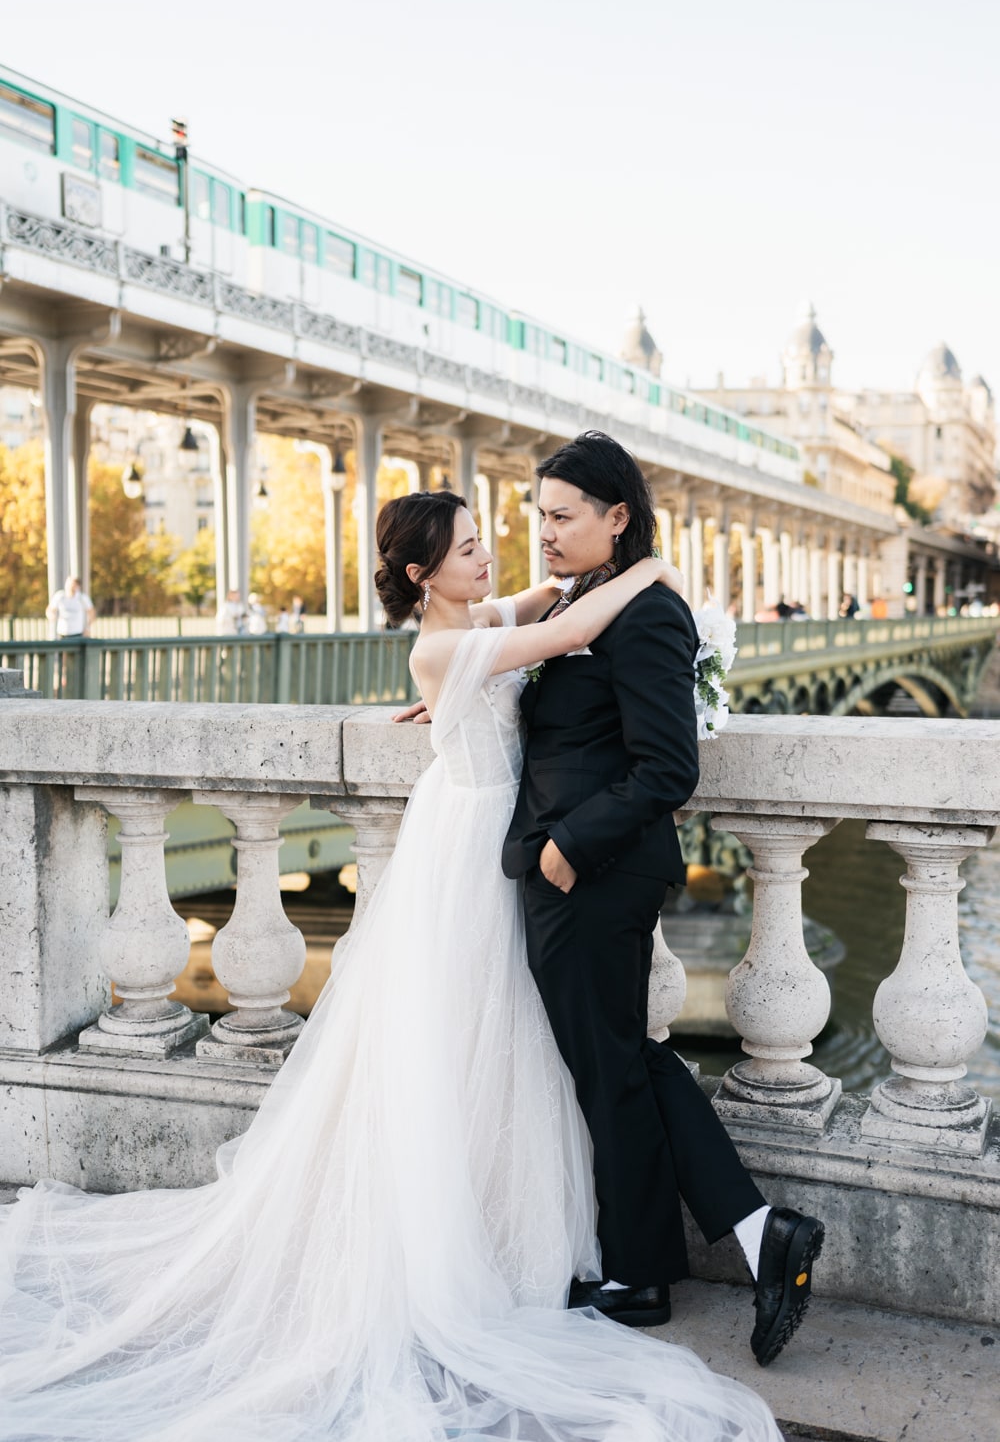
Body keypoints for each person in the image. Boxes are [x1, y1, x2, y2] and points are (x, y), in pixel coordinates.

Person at [0, 489, 781, 1442]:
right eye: (468, 548)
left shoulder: (471, 629)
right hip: (474, 843)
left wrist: (469, 694)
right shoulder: (444, 648)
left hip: (497, 822)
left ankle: (528, 1227)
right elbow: (568, 629)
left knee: (514, 1034)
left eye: (485, 540)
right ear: (423, 574)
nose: (489, 556)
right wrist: (652, 569)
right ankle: (495, 1238)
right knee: (478, 1029)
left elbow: (549, 600)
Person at [499, 433, 824, 1364]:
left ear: (617, 518)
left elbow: (668, 766)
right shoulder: (589, 597)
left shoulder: (644, 615)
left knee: (609, 1066)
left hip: (594, 872)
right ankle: (752, 1236)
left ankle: (651, 1273)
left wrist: (567, 847)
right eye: (539, 514)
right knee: (621, 1060)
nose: (545, 531)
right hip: (581, 869)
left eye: (562, 515)